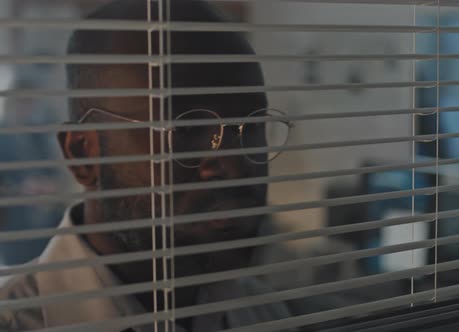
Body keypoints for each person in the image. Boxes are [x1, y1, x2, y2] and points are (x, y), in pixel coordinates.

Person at [0, 0, 292, 331]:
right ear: (83, 155)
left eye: (251, 126)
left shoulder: (263, 313)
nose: (236, 167)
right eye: (185, 129)